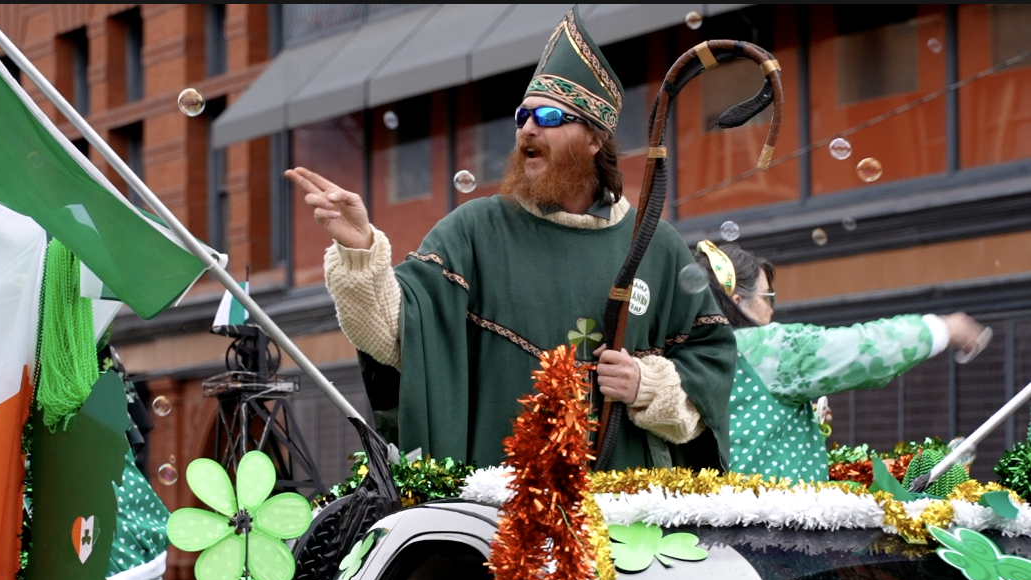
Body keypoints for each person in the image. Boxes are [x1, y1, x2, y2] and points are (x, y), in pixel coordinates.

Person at [286, 7, 737, 470]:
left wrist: (647, 384)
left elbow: (712, 362)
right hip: (498, 517)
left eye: (548, 116)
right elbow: (397, 336)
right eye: (522, 116)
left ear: (594, 139)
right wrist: (359, 250)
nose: (527, 128)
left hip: (624, 515)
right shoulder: (475, 230)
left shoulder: (654, 245)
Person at [693, 239, 987, 481]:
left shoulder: (694, 349)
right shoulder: (766, 347)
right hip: (772, 532)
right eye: (766, 296)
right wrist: (942, 329)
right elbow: (862, 351)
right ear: (737, 302)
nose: (771, 309)